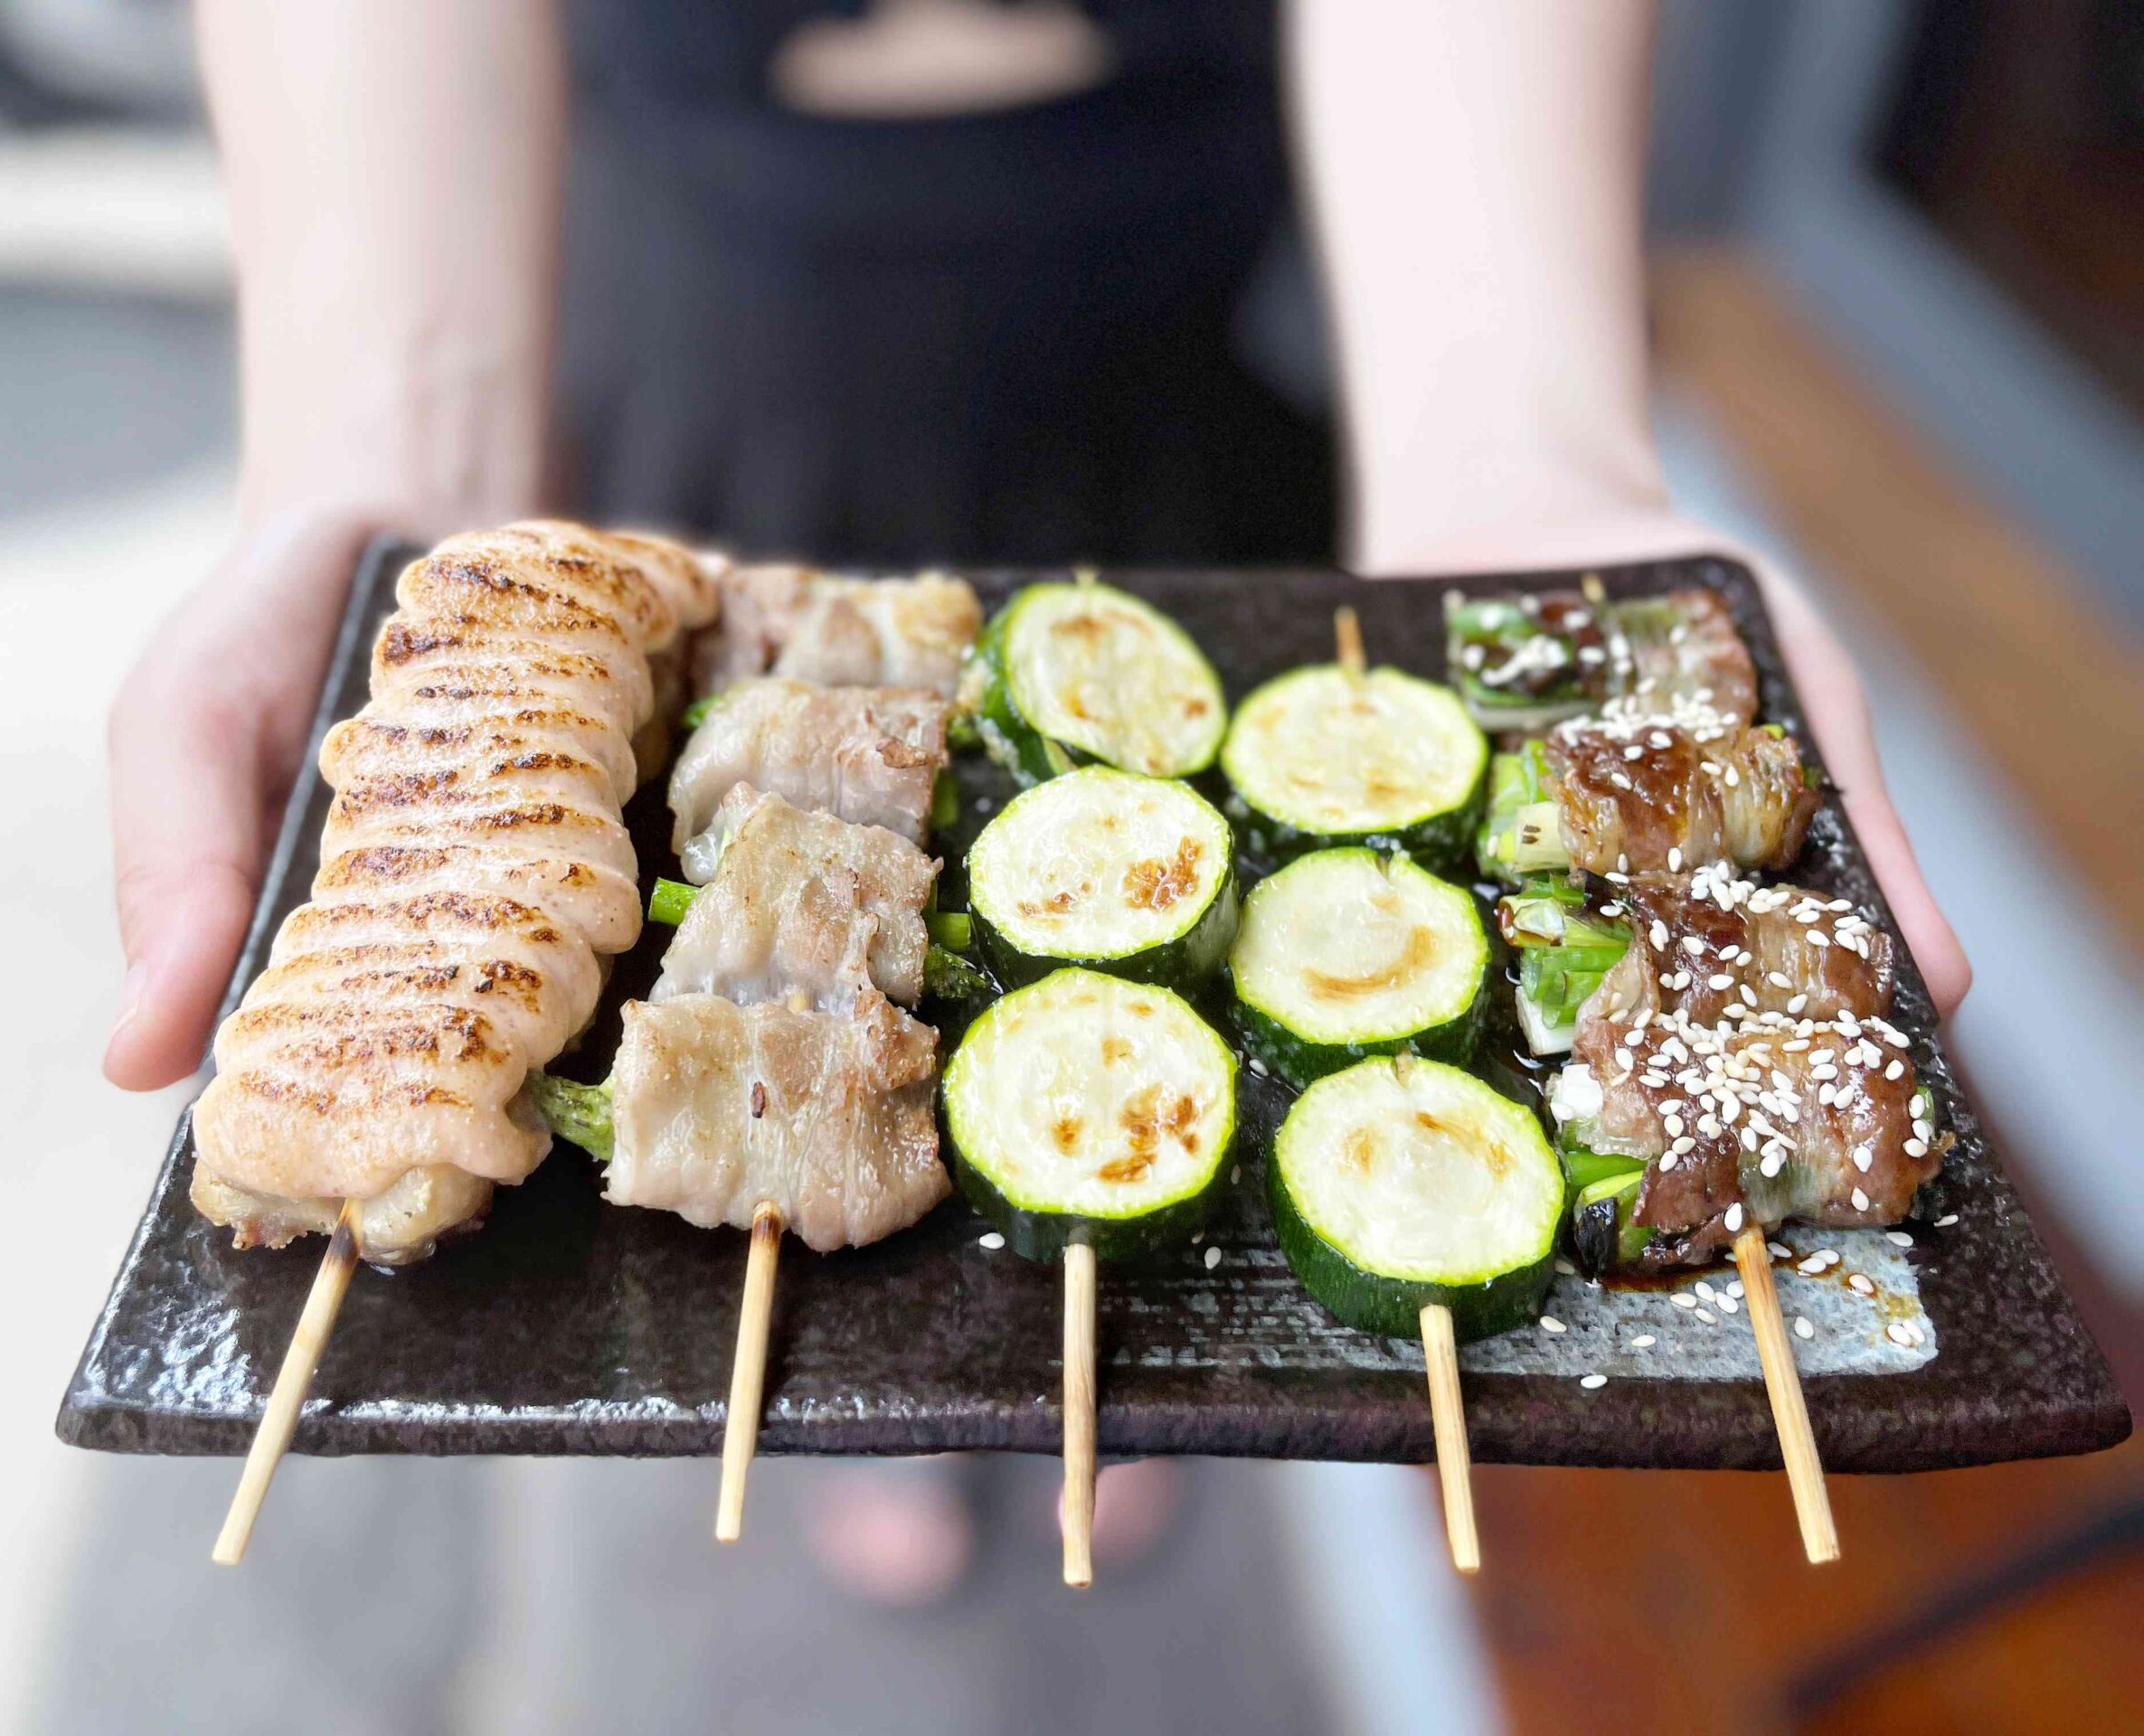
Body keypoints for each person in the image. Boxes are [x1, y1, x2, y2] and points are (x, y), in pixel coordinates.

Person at [100, 0, 1969, 1603]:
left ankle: (1110, 1355)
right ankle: (895, 1437)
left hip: (1164, 327)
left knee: (1116, 1050)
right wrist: (387, 472)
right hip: (721, 315)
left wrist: (1520, 449)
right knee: (814, 1214)